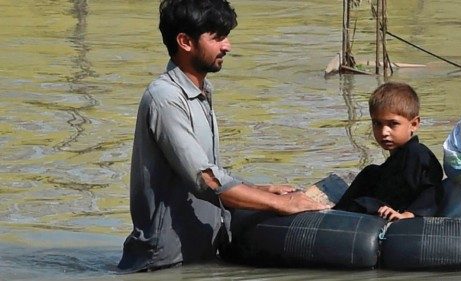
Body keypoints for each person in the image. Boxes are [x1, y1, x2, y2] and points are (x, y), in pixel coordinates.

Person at [117, 0, 330, 273]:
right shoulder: (165, 98)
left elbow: (209, 171)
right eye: (217, 37)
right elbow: (204, 179)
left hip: (198, 258)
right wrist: (281, 204)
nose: (227, 46)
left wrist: (259, 189)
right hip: (162, 264)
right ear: (185, 41)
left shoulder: (202, 91)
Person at [334, 82, 444, 221]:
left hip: (402, 217)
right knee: (370, 172)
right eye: (377, 124)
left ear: (414, 124)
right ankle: (333, 214)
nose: (384, 132)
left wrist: (408, 214)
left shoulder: (417, 154)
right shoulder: (388, 164)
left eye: (393, 124)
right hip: (382, 211)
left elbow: (433, 189)